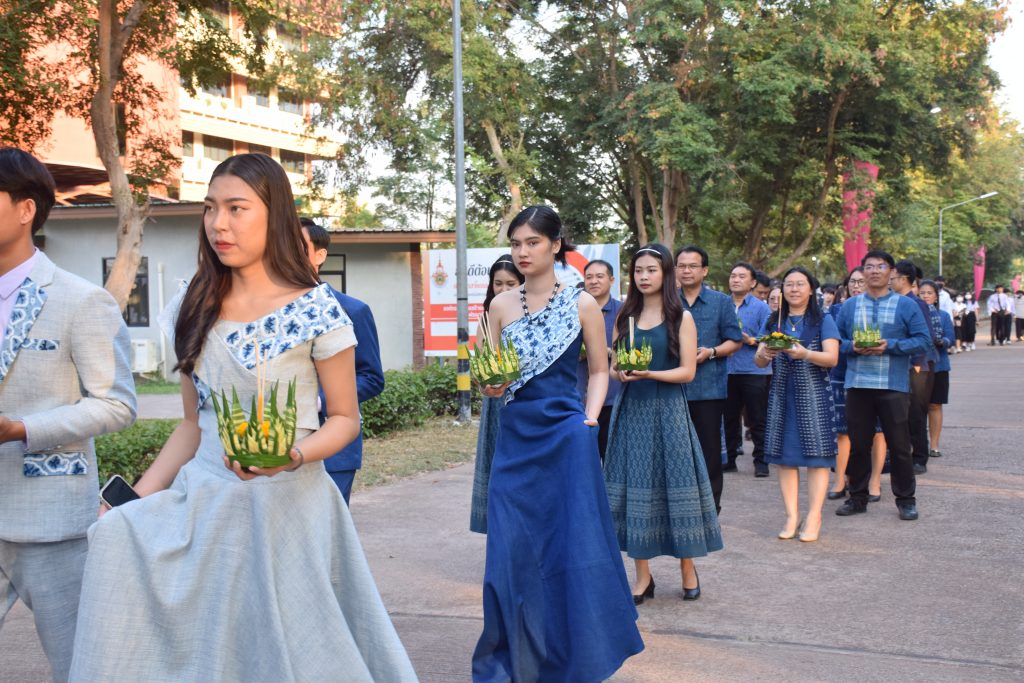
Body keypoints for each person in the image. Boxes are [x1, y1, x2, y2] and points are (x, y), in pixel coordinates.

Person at [70, 154, 416, 681]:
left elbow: (345, 419)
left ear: (275, 214)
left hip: (288, 508)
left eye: (236, 208)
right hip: (205, 503)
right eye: (210, 208)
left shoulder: (315, 309)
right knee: (200, 640)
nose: (219, 224)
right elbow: (192, 426)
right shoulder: (192, 304)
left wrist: (293, 455)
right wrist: (130, 500)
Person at [474, 206, 643, 682]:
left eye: (532, 242)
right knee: (509, 554)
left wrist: (589, 419)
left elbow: (599, 370)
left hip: (566, 437)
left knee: (570, 547)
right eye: (516, 243)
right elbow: (490, 375)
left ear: (555, 245)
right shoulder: (500, 306)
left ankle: (575, 656)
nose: (522, 252)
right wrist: (490, 386)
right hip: (515, 440)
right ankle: (510, 662)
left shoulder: (581, 303)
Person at [0, 148, 137, 682]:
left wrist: (23, 429)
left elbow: (116, 404)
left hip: (50, 518)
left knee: (80, 665)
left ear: (26, 209)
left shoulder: (82, 301)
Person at [604, 244, 722, 605]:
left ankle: (688, 566)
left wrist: (650, 373)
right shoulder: (625, 315)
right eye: (638, 270)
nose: (643, 277)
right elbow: (613, 366)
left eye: (651, 270)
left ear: (666, 274)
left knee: (676, 485)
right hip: (631, 410)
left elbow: (687, 371)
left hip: (669, 411)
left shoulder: (680, 317)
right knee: (634, 488)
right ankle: (642, 576)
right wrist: (621, 373)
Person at [835, 250, 930, 521]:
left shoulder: (906, 305)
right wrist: (852, 347)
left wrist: (891, 346)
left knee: (899, 446)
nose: (874, 271)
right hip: (858, 385)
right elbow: (835, 342)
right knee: (858, 445)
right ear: (862, 272)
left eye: (881, 266)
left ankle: (906, 500)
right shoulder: (849, 307)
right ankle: (858, 497)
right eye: (869, 266)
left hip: (893, 385)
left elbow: (923, 340)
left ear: (891, 273)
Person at [300, 218, 384, 503]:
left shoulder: (352, 311)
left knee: (327, 528)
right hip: (277, 448)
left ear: (320, 255)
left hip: (334, 451)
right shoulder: (267, 313)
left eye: (297, 247)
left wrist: (320, 401)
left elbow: (372, 378)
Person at [755, 267, 839, 542]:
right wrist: (765, 354)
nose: (793, 289)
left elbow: (832, 358)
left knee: (817, 459)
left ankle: (814, 516)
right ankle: (791, 516)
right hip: (781, 395)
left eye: (800, 284)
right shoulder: (774, 320)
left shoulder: (823, 319)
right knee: (784, 459)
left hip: (814, 396)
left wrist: (805, 354)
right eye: (788, 284)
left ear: (810, 289)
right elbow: (759, 360)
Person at [675, 245, 742, 513]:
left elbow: (735, 341)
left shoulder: (721, 302)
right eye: (682, 266)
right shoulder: (667, 300)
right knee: (677, 450)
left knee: (709, 451)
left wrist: (711, 352)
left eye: (692, 266)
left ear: (704, 270)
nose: (686, 271)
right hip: (672, 387)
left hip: (708, 389)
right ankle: (681, 505)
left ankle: (711, 507)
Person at [470, 255, 524, 534]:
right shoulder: (486, 318)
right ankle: (501, 532)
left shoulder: (533, 315)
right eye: (498, 283)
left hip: (526, 400)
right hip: (497, 403)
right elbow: (479, 368)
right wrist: (486, 382)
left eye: (510, 284)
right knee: (497, 467)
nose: (503, 289)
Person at [828, 268, 886, 502]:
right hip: (842, 373)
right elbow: (831, 341)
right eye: (852, 282)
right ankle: (840, 479)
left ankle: (874, 481)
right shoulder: (835, 310)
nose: (856, 286)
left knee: (878, 432)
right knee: (842, 431)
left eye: (861, 282)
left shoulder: (880, 308)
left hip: (875, 374)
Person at [724, 261, 772, 476]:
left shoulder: (762, 308)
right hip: (727, 369)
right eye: (733, 276)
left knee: (757, 418)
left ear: (753, 283)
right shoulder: (722, 304)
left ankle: (761, 461)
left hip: (754, 370)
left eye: (741, 276)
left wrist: (749, 340)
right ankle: (729, 458)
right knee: (729, 418)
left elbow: (768, 338)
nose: (736, 280)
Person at [891, 260, 937, 475]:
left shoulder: (917, 303)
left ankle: (919, 457)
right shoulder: (892, 301)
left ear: (903, 280)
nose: (889, 282)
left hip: (917, 366)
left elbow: (926, 336)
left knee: (916, 412)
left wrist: (917, 363)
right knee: (898, 412)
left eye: (892, 278)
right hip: (898, 364)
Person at [575, 258, 623, 461]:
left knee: (612, 457)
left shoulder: (624, 311)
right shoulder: (572, 311)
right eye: (589, 277)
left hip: (613, 397)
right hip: (578, 397)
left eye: (599, 276)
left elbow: (631, 352)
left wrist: (605, 351)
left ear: (611, 280)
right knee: (582, 458)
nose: (593, 281)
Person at [918, 280, 954, 460]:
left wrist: (942, 342)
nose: (925, 296)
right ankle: (917, 445)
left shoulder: (943, 316)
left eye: (929, 293)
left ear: (936, 297)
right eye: (922, 293)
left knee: (935, 405)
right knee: (916, 408)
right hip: (917, 366)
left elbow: (950, 338)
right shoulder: (914, 315)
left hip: (939, 366)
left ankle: (934, 445)